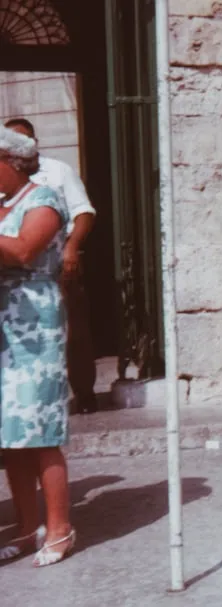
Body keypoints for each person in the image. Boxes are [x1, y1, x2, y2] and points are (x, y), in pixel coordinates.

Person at [0, 126, 76, 566]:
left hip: (36, 323)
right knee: (11, 433)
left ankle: (61, 528)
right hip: (4, 325)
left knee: (40, 428)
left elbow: (26, 249)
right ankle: (28, 527)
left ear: (11, 161)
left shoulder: (43, 199)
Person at [4, 118, 98, 415]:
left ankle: (84, 392)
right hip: (12, 293)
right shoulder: (7, 191)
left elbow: (83, 211)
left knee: (76, 332)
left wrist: (71, 248)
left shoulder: (57, 173)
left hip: (50, 269)